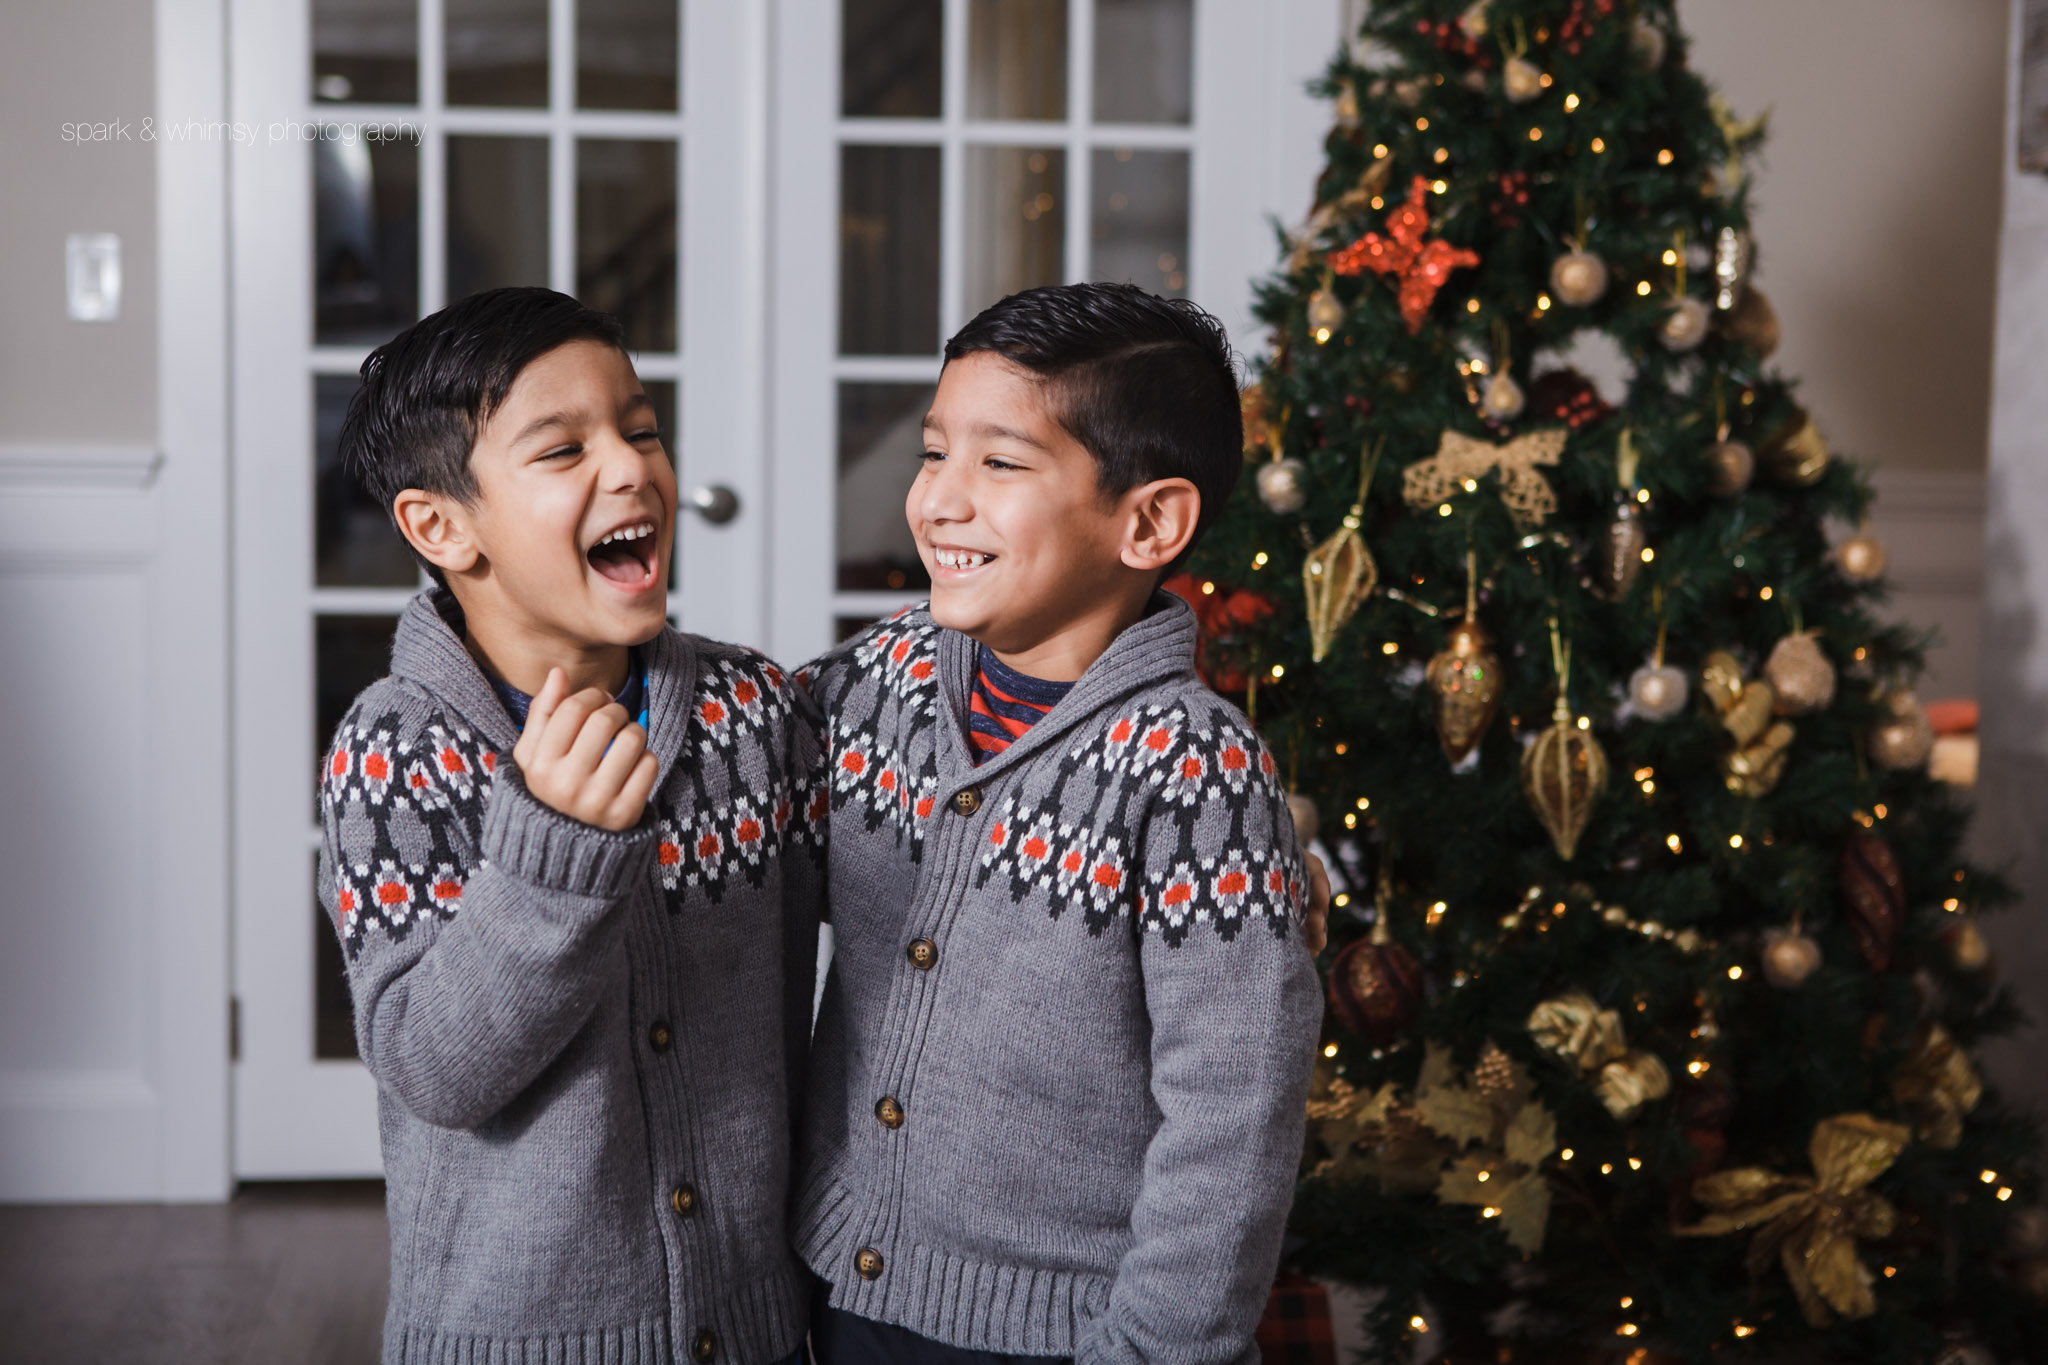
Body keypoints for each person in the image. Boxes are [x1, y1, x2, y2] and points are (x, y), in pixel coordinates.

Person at [795, 283, 1325, 1365]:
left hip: (1057, 1338)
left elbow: (1229, 1130)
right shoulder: (885, 678)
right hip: (832, 1286)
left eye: (998, 464)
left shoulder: (1194, 778)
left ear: (1148, 522)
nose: (939, 500)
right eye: (933, 451)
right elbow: (728, 770)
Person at [318, 287, 820, 1365]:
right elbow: (435, 1067)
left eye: (639, 429)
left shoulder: (753, 713)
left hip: (757, 1328)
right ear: (441, 527)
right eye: (562, 451)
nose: (632, 466)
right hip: (517, 1338)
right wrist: (551, 851)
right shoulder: (398, 754)